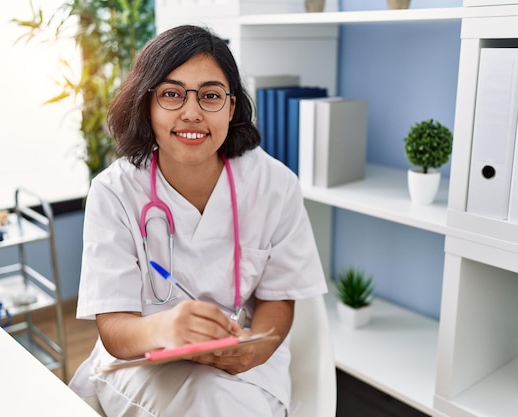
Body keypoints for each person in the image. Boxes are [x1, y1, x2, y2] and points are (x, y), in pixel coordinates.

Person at [68, 24, 327, 417]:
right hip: (146, 363)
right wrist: (166, 329)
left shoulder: (274, 185)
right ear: (147, 104)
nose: (192, 113)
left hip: (246, 367)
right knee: (216, 403)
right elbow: (115, 329)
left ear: (232, 106)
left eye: (210, 96)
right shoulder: (114, 193)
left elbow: (278, 299)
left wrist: (256, 346)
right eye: (171, 94)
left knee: (227, 401)